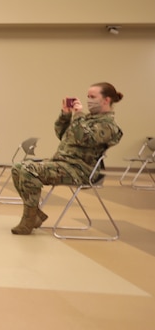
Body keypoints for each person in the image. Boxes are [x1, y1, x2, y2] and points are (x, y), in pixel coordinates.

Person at [10, 82, 123, 235]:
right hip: (62, 164)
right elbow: (62, 134)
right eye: (88, 96)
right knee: (18, 168)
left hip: (80, 170)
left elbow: (83, 137)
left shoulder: (109, 126)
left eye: (93, 97)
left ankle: (28, 220)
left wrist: (77, 115)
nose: (89, 100)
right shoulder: (86, 119)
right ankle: (34, 215)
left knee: (29, 170)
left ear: (106, 100)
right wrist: (65, 115)